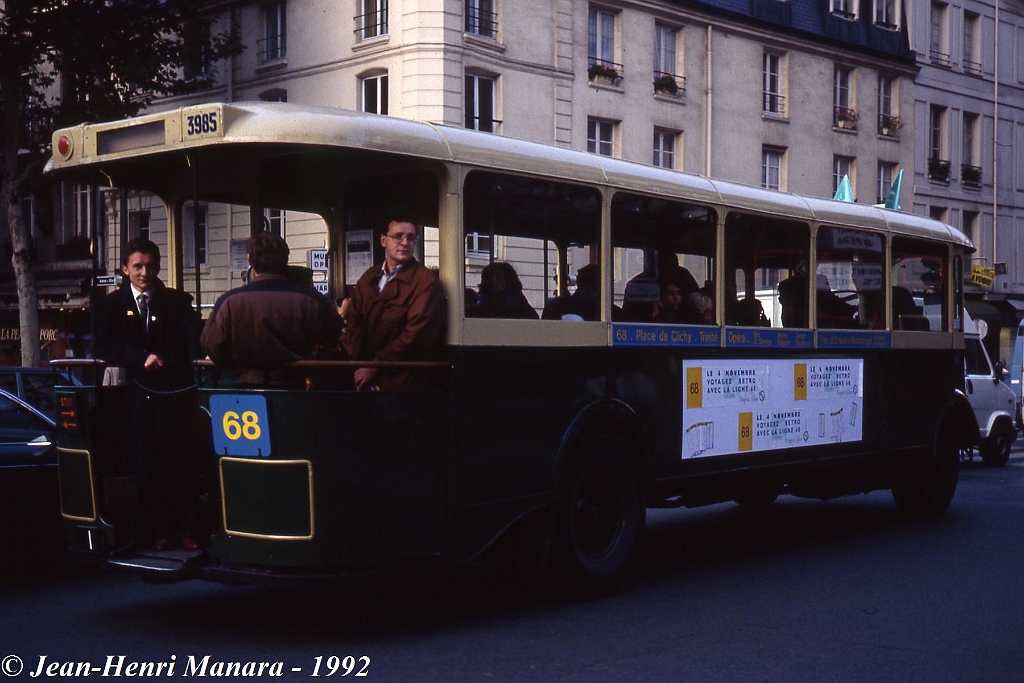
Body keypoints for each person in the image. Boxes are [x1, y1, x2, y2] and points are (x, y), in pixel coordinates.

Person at [93, 237, 202, 551]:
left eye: (151, 266)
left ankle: (185, 529)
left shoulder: (177, 302)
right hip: (134, 397)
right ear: (125, 269)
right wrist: (139, 357)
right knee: (144, 464)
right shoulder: (110, 305)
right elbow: (103, 345)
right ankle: (156, 532)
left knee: (179, 462)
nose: (145, 273)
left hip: (173, 395)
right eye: (138, 266)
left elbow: (194, 339)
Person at [200, 231, 344, 387]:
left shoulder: (228, 301)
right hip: (295, 387)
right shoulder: (312, 300)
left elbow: (213, 348)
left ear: (250, 260)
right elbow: (333, 334)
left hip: (247, 385)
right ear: (285, 259)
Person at [344, 218, 446, 391]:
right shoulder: (369, 277)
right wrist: (358, 364)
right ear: (383, 240)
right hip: (363, 378)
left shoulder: (425, 282)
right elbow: (353, 323)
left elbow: (414, 335)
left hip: (403, 382)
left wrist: (375, 366)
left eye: (411, 238)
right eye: (398, 236)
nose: (405, 243)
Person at [467, 261, 539, 319]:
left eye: (498, 277)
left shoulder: (519, 306)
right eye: (489, 277)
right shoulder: (478, 306)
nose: (494, 281)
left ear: (508, 280)